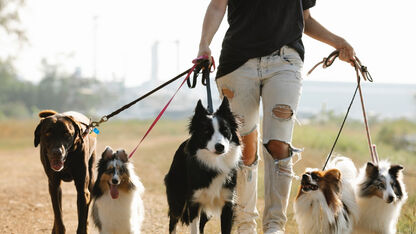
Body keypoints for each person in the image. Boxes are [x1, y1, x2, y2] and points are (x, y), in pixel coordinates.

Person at [197, 0, 356, 233]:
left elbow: (305, 19)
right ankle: (245, 224)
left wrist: (339, 42)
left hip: (285, 61)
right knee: (243, 147)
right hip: (238, 63)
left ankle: (274, 226)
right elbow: (217, 5)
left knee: (279, 144)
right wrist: (204, 44)